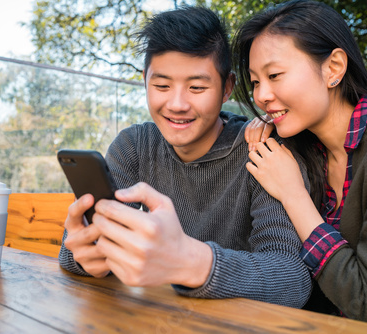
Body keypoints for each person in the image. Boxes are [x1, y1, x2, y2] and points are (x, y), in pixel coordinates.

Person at [58, 6, 312, 307]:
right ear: (145, 81)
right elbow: (75, 251)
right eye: (162, 85)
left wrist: (190, 262)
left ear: (226, 87)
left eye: (197, 87)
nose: (176, 104)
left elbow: (291, 280)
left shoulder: (263, 150)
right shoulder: (135, 146)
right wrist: (82, 253)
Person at [231, 0, 367, 330]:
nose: (261, 95)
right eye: (256, 81)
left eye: (274, 75)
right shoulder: (296, 148)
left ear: (333, 67)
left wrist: (294, 196)